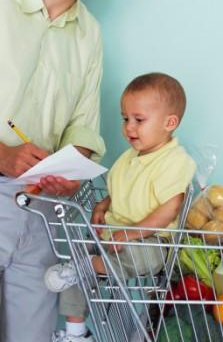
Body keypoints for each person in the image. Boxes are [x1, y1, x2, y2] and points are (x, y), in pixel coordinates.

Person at [0, 0, 135, 341]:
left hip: (42, 210)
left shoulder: (90, 34)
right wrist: (3, 153)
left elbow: (82, 125)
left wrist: (71, 168)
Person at [45, 72, 196, 342]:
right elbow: (122, 191)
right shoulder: (129, 158)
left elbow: (170, 208)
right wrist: (104, 204)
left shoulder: (174, 161)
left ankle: (88, 266)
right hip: (115, 233)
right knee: (78, 257)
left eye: (139, 120)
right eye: (125, 119)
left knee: (138, 258)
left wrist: (133, 233)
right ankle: (76, 332)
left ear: (169, 123)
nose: (129, 127)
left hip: (151, 240)